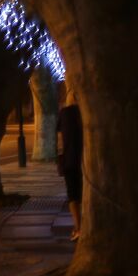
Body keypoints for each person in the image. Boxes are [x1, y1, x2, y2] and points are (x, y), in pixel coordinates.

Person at [56, 84, 83, 241]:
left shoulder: (64, 114)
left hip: (70, 161)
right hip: (83, 161)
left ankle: (78, 227)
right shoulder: (87, 114)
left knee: (73, 196)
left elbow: (60, 142)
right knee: (82, 193)